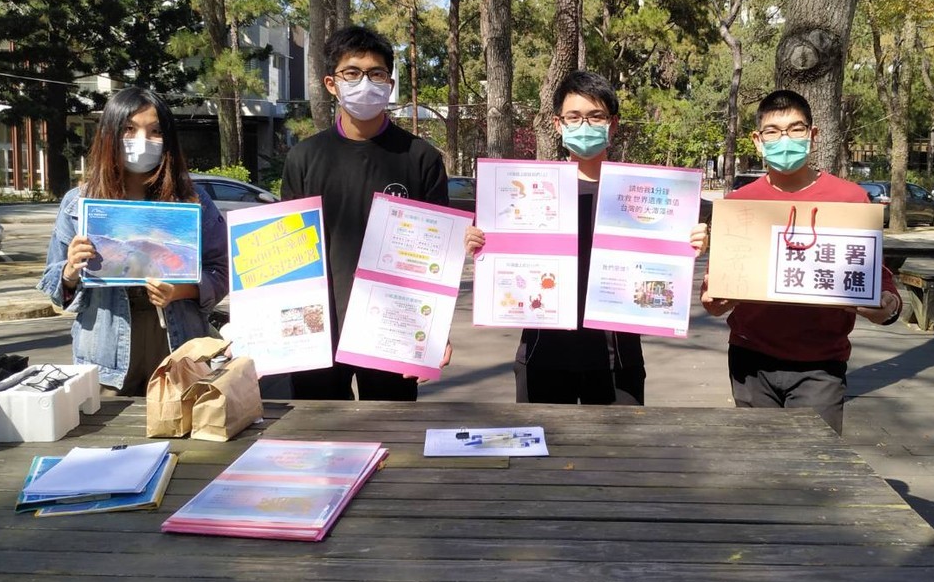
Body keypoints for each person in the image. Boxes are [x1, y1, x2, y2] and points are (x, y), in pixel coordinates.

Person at [467, 70, 708, 405]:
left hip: (616, 362)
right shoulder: (528, 195)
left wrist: (688, 242)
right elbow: (499, 257)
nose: (585, 125)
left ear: (613, 124)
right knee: (542, 441)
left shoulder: (639, 195)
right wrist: (479, 243)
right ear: (558, 124)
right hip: (543, 356)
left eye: (596, 117)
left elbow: (665, 258)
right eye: (574, 117)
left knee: (621, 442)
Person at [701, 89, 901, 433]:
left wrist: (888, 306)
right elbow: (715, 296)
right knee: (758, 458)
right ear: (757, 140)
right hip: (750, 362)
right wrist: (712, 299)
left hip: (821, 365)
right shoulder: (739, 203)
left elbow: (878, 281)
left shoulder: (850, 200)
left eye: (796, 129)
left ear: (813, 135)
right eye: (773, 131)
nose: (785, 140)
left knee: (814, 461)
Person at [282, 24, 450, 401]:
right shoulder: (304, 158)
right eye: (352, 73)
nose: (364, 82)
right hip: (317, 330)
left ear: (389, 85)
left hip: (392, 330)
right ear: (331, 83)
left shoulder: (420, 157)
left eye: (376, 74)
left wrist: (436, 331)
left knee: (391, 431)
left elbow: (437, 258)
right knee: (318, 432)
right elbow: (287, 255)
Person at [38, 87, 230, 396]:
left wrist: (180, 290)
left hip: (177, 350)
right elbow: (55, 289)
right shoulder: (78, 204)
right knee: (108, 425)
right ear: (109, 134)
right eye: (129, 129)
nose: (142, 140)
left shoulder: (192, 201)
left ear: (168, 139)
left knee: (181, 425)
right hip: (104, 357)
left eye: (155, 131)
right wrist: (70, 271)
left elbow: (222, 272)